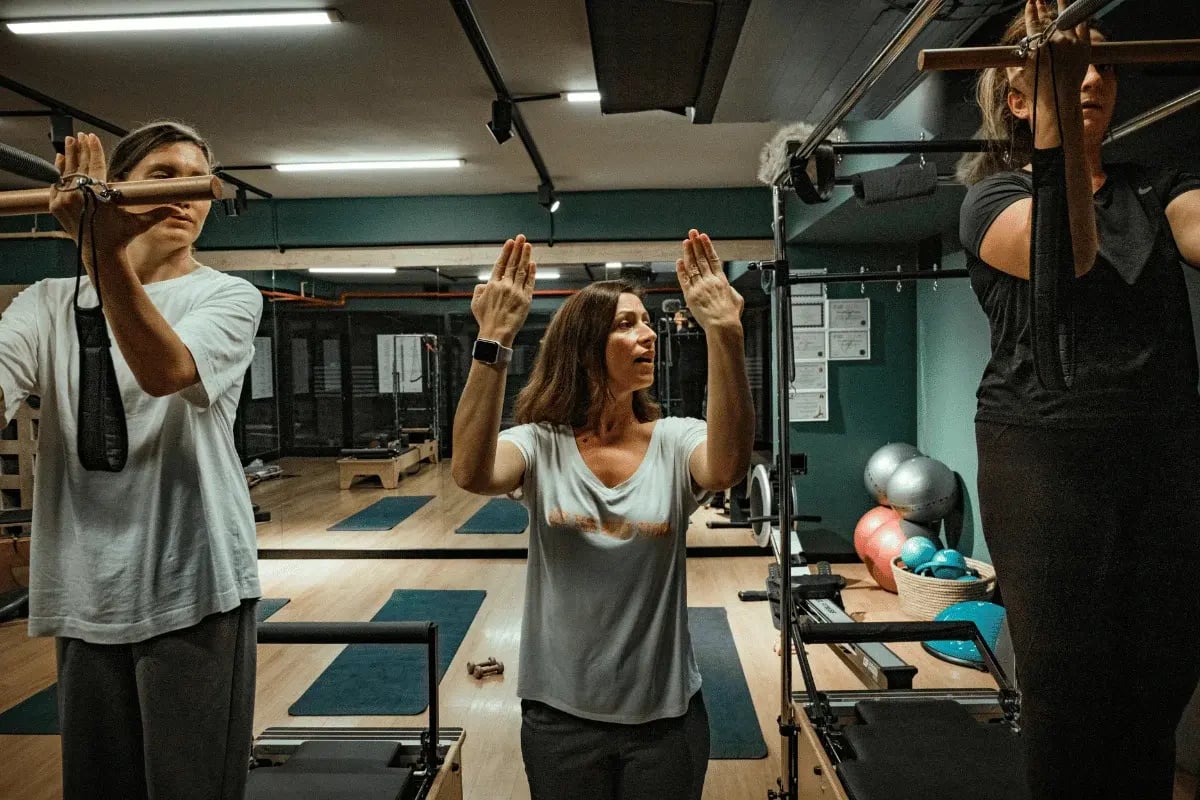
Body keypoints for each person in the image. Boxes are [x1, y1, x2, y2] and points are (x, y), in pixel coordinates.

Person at [958, 2, 1200, 797]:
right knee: (1067, 692)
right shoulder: (990, 199)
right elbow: (1069, 256)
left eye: (1100, 65)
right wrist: (1057, 119)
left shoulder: (1157, 182)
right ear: (1020, 101)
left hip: (1162, 446)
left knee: (1161, 678)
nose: (1090, 78)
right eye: (1065, 69)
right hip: (1043, 455)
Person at [0, 121, 264, 799]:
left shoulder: (228, 297)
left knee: (190, 788)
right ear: (113, 189)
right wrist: (96, 254)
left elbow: (165, 370)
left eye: (196, 179)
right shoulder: (45, 303)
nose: (185, 193)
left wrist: (99, 252)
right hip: (82, 587)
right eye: (162, 175)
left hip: (196, 584)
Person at [452, 230, 753, 800]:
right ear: (585, 347)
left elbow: (727, 466)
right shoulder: (540, 444)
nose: (647, 336)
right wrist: (493, 337)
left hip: (663, 719)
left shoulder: (674, 440)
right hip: (560, 716)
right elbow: (470, 472)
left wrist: (725, 333)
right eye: (625, 324)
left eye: (646, 322)